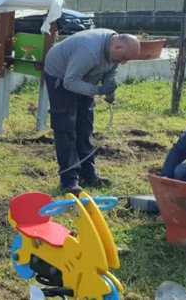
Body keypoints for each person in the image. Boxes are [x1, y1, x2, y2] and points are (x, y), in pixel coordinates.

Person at [44, 28, 140, 195]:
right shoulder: (89, 51)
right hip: (61, 77)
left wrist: (109, 86)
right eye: (124, 58)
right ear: (117, 48)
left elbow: (111, 68)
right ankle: (69, 181)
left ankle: (88, 175)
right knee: (66, 129)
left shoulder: (114, 46)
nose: (123, 62)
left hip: (85, 77)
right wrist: (97, 90)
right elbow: (70, 82)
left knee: (85, 127)